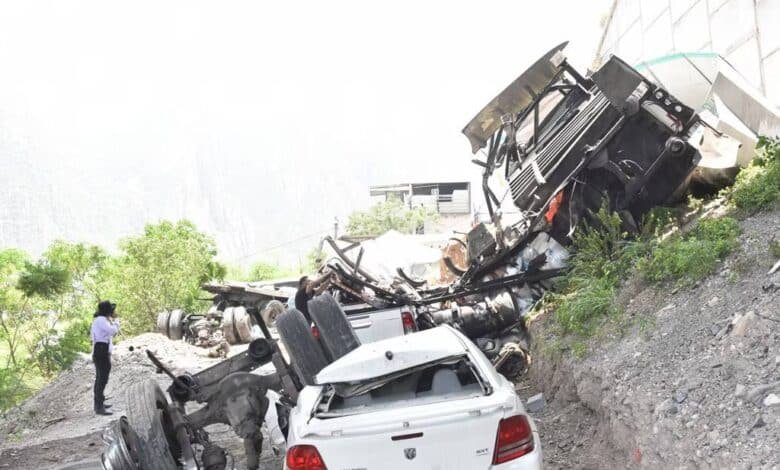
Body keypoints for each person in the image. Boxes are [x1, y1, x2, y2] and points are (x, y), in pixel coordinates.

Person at [91, 300, 120, 415]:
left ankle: (99, 403)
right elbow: (113, 331)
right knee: (102, 379)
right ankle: (99, 407)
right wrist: (117, 321)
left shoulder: (100, 320)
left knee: (100, 378)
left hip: (101, 349)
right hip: (101, 350)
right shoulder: (101, 320)